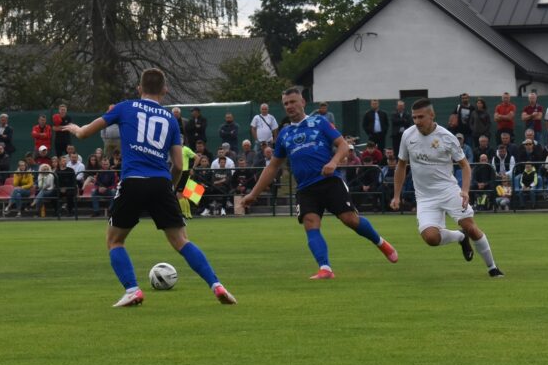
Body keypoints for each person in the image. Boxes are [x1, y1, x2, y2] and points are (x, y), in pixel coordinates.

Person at [64, 67, 236, 306]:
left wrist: (75, 129)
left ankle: (132, 289)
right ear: (165, 90)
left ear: (139, 88)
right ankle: (216, 285)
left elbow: (84, 134)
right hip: (160, 182)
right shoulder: (171, 120)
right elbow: (178, 164)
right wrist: (171, 188)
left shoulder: (125, 107)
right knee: (181, 241)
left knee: (115, 241)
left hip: (133, 181)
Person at [243, 87, 398, 280]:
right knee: (310, 223)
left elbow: (343, 145)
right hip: (305, 188)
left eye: (293, 102)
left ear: (303, 103)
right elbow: (273, 166)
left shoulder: (319, 122)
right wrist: (253, 194)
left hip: (328, 181)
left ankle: (380, 242)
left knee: (350, 219)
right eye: (286, 104)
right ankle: (325, 268)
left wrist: (333, 162)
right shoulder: (284, 133)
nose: (290, 106)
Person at [390, 98, 503, 277]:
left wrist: (465, 190)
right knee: (431, 238)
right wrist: (396, 196)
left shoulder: (447, 137)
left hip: (448, 191)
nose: (417, 121)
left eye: (421, 117)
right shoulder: (408, 135)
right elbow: (401, 165)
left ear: (432, 115)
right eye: (414, 118)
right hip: (425, 197)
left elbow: (465, 166)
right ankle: (459, 236)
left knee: (471, 227)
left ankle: (493, 268)